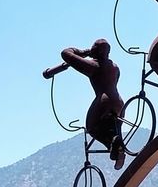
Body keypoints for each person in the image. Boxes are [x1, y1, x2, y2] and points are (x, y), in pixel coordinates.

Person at [52, 40, 126, 169]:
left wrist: (84, 52)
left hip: (103, 101)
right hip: (119, 103)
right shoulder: (115, 67)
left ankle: (112, 144)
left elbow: (65, 53)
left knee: (92, 127)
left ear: (95, 50)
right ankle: (117, 146)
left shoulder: (93, 66)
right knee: (114, 128)